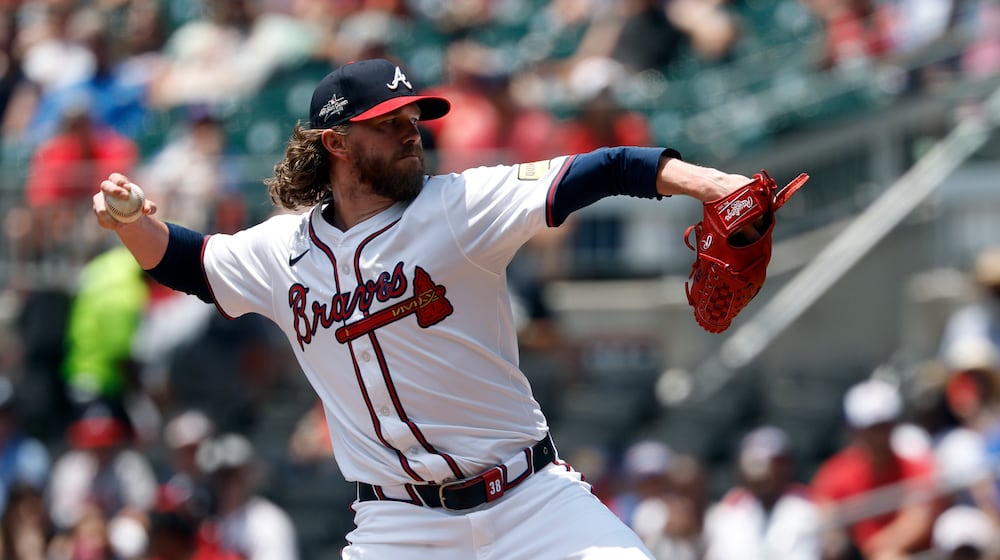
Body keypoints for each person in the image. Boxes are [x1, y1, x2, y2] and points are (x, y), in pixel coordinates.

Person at [92, 57, 761, 559]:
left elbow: (606, 168)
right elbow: (186, 262)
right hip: (399, 526)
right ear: (336, 143)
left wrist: (714, 184)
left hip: (530, 500)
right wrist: (130, 223)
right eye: (389, 124)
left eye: (413, 119)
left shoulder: (461, 206)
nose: (411, 134)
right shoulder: (281, 250)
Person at [810, 378, 938, 560]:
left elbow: (918, 521)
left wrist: (874, 550)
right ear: (852, 430)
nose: (877, 438)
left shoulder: (917, 468)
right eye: (869, 429)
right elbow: (825, 523)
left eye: (882, 427)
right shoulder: (834, 474)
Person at [703, 425, 821, 560]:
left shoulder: (807, 507)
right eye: (754, 464)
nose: (760, 474)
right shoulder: (732, 508)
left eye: (769, 465)